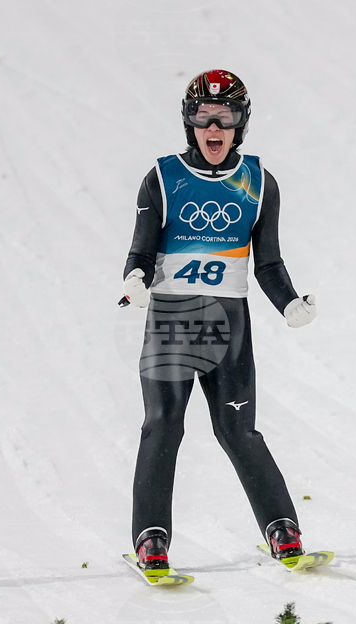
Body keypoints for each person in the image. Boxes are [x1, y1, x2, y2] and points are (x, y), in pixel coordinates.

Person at [122, 69, 318, 573]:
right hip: (171, 320)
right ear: (189, 124)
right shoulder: (163, 176)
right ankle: (151, 538)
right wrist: (134, 280)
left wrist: (289, 303)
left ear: (240, 124)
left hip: (228, 325)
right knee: (163, 425)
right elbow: (141, 249)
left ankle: (283, 529)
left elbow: (268, 262)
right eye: (203, 118)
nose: (214, 129)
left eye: (224, 118)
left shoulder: (259, 182)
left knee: (238, 429)